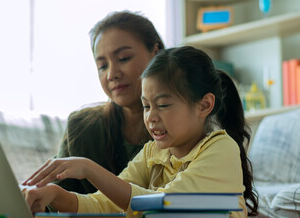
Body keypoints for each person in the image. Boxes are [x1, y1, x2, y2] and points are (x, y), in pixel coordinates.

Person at [22, 46, 259, 218]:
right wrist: (55, 194)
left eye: (163, 105)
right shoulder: (152, 153)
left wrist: (89, 168)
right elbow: (107, 204)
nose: (151, 117)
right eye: (146, 106)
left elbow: (164, 205)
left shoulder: (220, 148)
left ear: (204, 105)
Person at [23, 11, 165, 194]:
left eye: (123, 59)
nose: (112, 74)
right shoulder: (82, 128)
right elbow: (54, 200)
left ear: (156, 54)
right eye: (102, 66)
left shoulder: (186, 125)